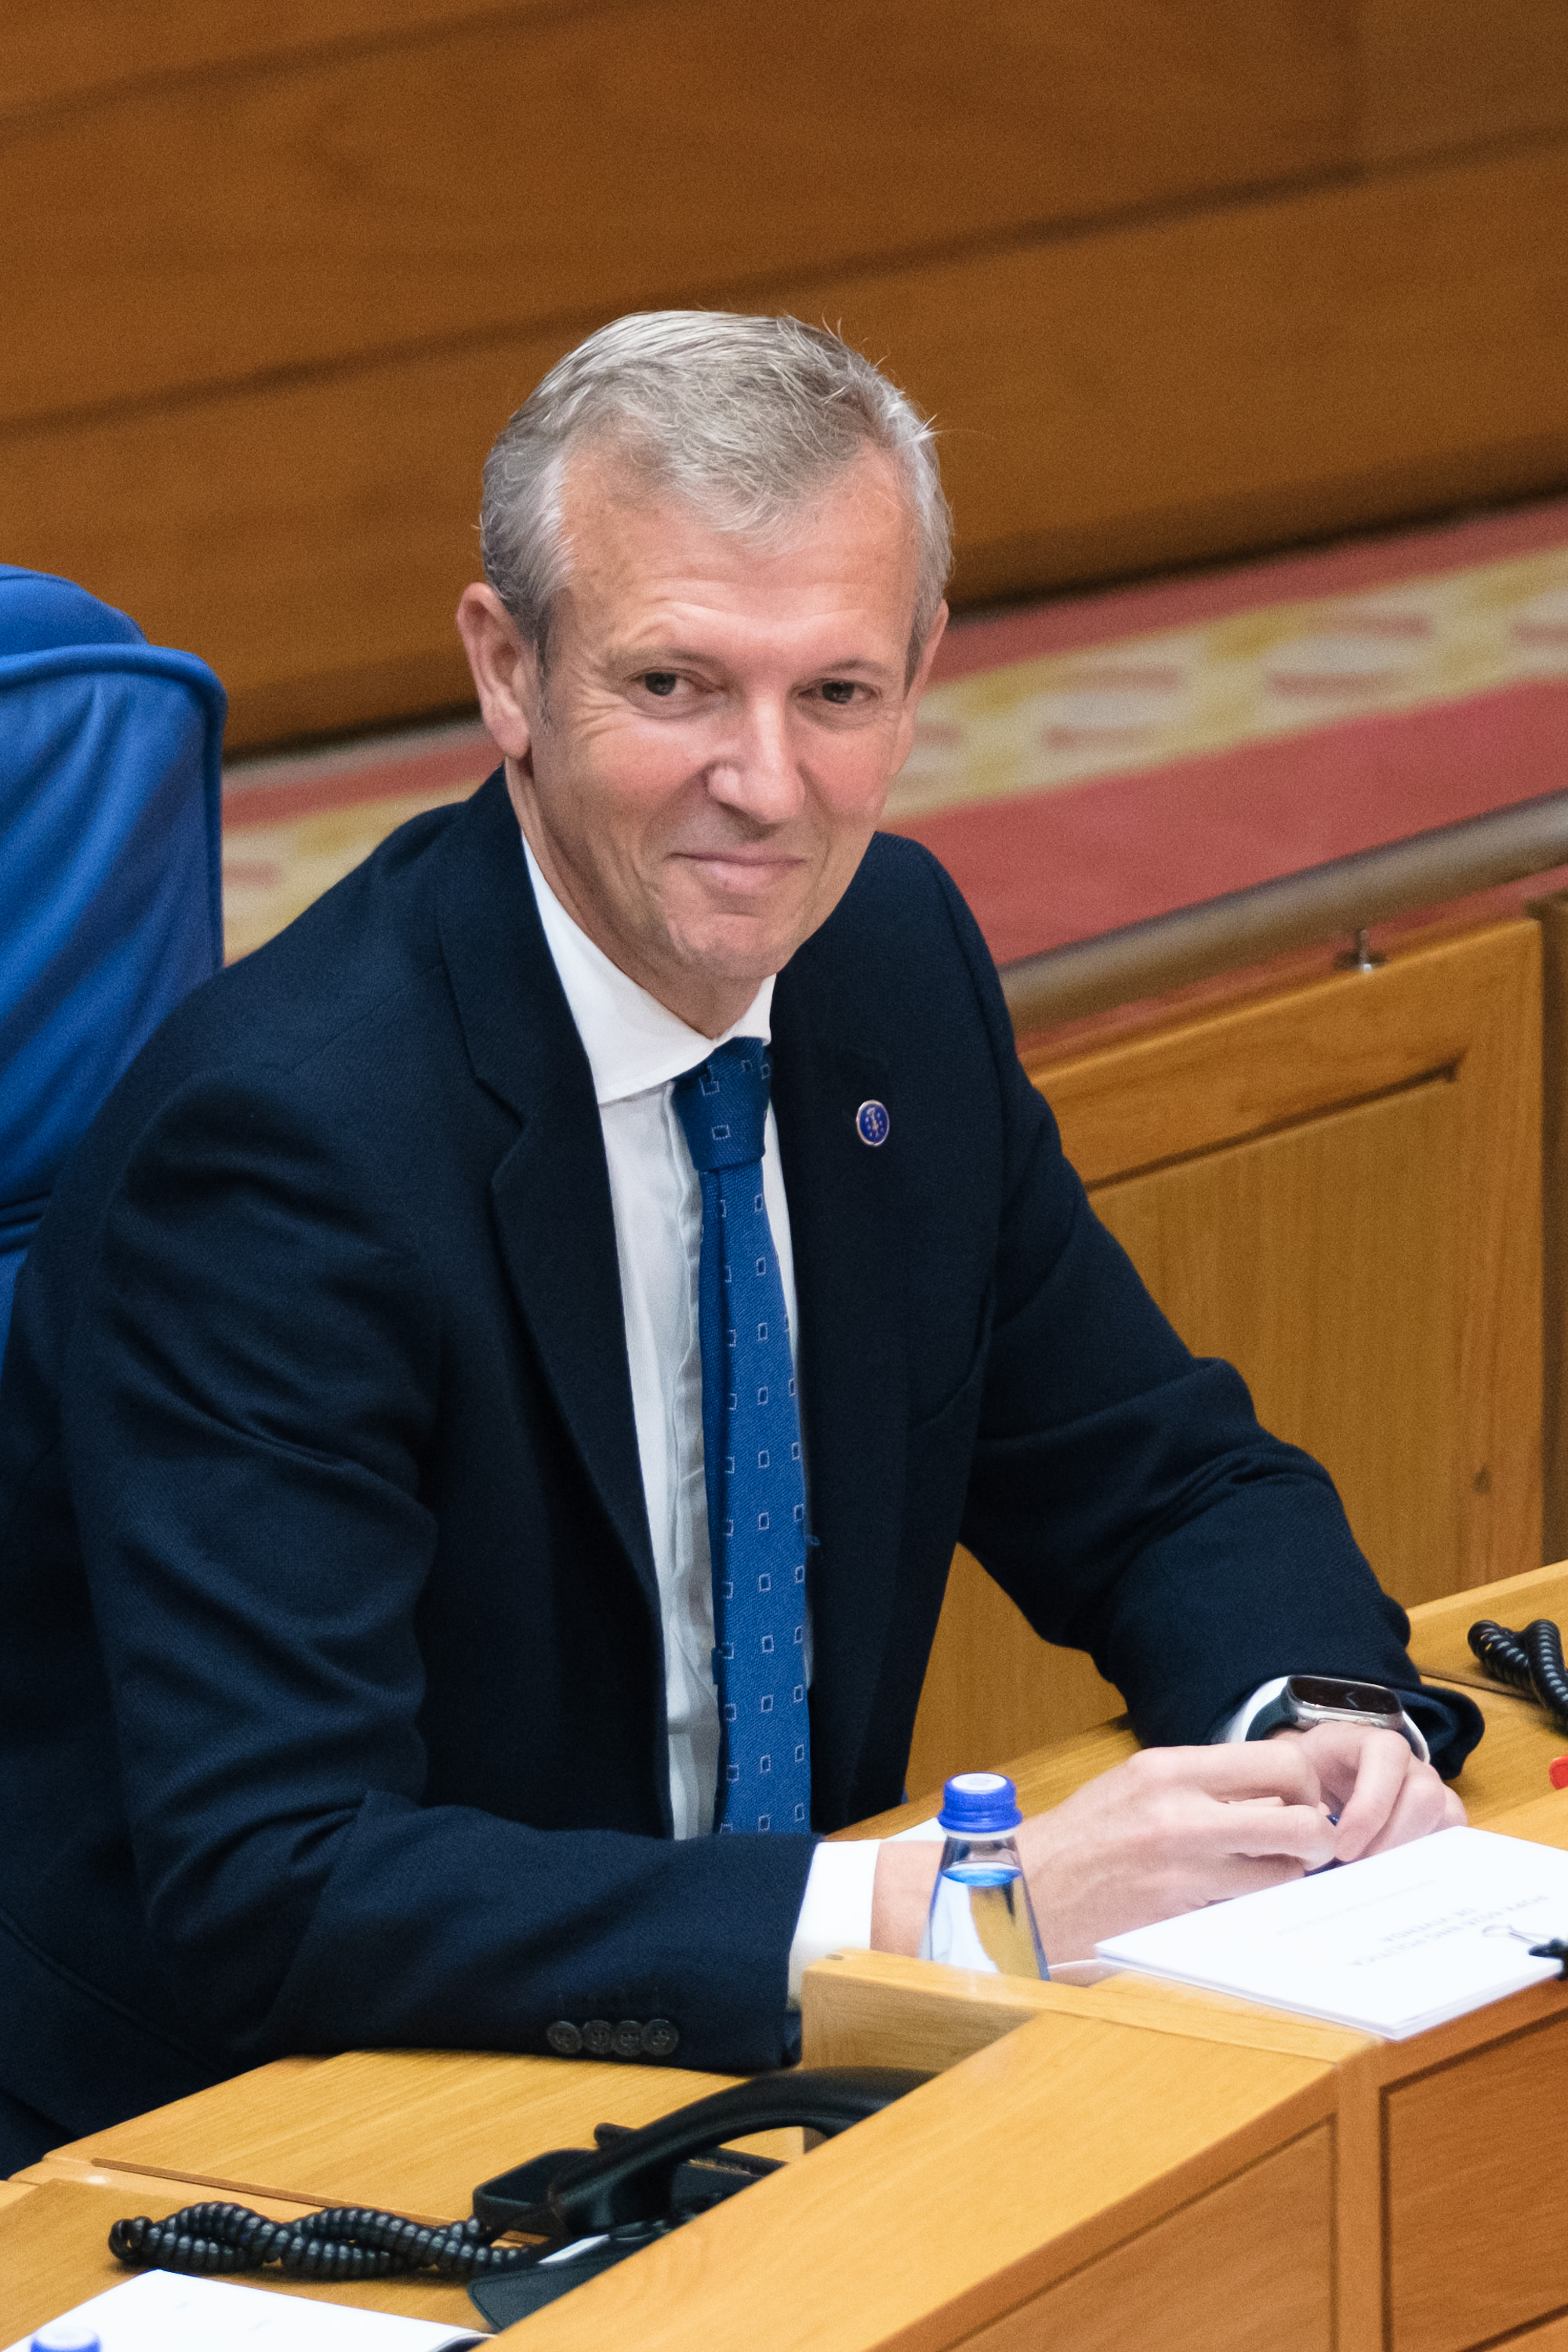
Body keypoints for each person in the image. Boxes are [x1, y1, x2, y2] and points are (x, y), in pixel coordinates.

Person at [0, 313, 1479, 2172]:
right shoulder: (284, 1146)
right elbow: (284, 1882)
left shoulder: (884, 963)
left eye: (836, 694)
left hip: (740, 2079)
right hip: (272, 2138)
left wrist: (1317, 1735)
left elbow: (1163, 1484)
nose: (766, 786)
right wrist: (941, 1904)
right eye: (678, 684)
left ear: (920, 676)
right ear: (509, 671)